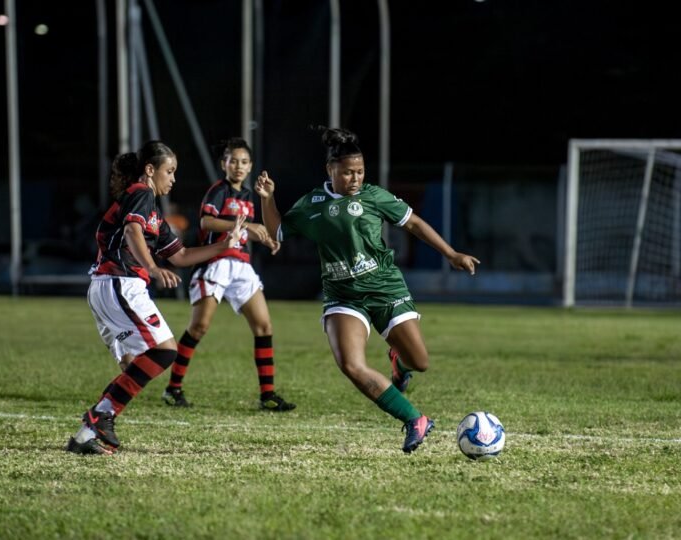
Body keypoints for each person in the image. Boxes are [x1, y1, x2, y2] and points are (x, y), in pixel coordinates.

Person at [254, 127, 479, 453]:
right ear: (330, 170)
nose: (355, 178)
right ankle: (414, 419)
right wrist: (268, 199)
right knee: (351, 364)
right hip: (342, 296)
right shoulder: (313, 204)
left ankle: (398, 364)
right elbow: (276, 232)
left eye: (360, 171)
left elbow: (414, 223)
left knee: (420, 362)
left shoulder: (374, 196)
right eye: (347, 172)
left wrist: (451, 254)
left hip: (385, 287)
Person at [66, 140, 245, 455]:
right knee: (165, 351)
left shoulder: (154, 216)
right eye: (169, 171)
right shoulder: (140, 193)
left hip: (109, 288)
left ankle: (84, 437)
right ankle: (100, 415)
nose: (173, 179)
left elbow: (182, 255)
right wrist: (151, 266)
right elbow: (133, 232)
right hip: (120, 284)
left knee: (135, 364)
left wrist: (226, 245)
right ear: (150, 170)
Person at [162, 137, 296, 412]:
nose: (238, 166)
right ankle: (173, 388)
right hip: (215, 262)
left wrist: (267, 239)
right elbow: (206, 222)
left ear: (251, 167)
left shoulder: (249, 196)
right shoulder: (219, 191)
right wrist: (248, 226)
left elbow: (248, 232)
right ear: (224, 164)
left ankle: (267, 395)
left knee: (264, 326)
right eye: (233, 160)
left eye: (244, 162)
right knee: (199, 327)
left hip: (241, 266)